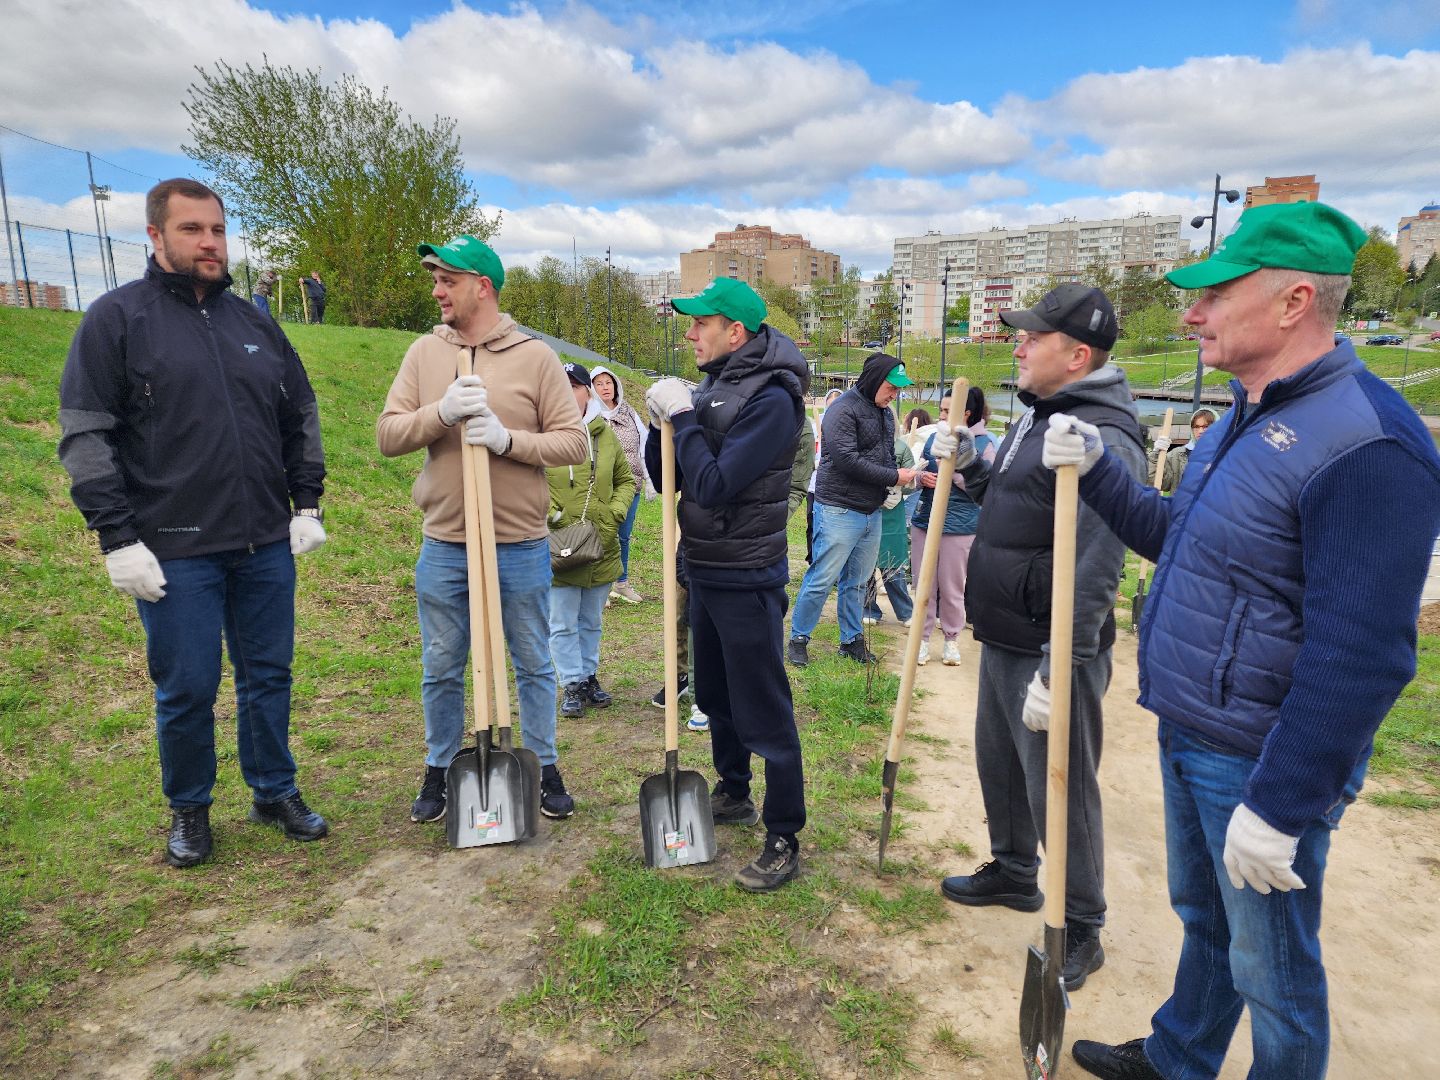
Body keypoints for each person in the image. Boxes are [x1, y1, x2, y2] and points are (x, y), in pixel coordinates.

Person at [1044, 202, 1440, 1080]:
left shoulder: (1370, 443)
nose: (1192, 314)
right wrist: (1099, 469)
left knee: (1276, 969)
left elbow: (1366, 653)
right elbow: (1175, 538)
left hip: (1259, 757)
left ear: (1296, 301)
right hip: (1194, 726)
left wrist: (1282, 804)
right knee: (1209, 923)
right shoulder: (1239, 418)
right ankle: (1183, 1057)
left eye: (1216, 296)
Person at [58, 178, 330, 868]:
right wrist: (117, 538)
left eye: (216, 229)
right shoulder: (117, 321)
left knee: (268, 674)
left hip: (265, 541)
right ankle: (190, 808)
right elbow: (86, 436)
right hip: (175, 550)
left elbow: (299, 413)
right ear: (155, 237)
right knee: (187, 688)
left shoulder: (255, 323)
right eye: (191, 230)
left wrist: (306, 502)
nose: (209, 242)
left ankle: (273, 789)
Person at [939, 284, 1146, 995]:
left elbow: (1098, 562)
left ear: (1078, 353)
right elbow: (1007, 502)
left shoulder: (1104, 434)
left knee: (1061, 785)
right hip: (1007, 630)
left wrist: (1064, 665)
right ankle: (1015, 870)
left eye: (1034, 336)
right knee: (1000, 762)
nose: (1019, 345)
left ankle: (1081, 921)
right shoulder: (1041, 413)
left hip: (1053, 643)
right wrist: (966, 464)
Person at [377, 234, 588, 825]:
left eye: (448, 280)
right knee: (443, 664)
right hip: (446, 543)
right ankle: (441, 766)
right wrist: (438, 413)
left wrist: (506, 440)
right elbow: (388, 435)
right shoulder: (423, 354)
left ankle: (544, 765)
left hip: (517, 542)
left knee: (533, 661)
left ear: (482, 287)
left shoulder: (535, 357)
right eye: (436, 280)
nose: (438, 291)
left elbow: (572, 442)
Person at [642, 277, 810, 892]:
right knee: (713, 695)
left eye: (699, 324)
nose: (689, 334)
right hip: (705, 567)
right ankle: (734, 791)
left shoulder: (773, 399)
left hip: (747, 574)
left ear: (733, 332)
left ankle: (784, 833)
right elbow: (672, 483)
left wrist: (683, 415)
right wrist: (661, 426)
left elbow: (714, 485)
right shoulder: (714, 386)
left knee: (763, 707)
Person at [787, 353, 919, 666]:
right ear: (874, 380)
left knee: (858, 582)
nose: (894, 394)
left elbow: (886, 457)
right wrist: (892, 476)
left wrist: (904, 479)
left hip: (871, 511)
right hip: (838, 510)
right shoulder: (842, 410)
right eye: (891, 386)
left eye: (899, 389)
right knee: (822, 577)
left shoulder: (886, 415)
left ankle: (851, 640)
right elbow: (847, 460)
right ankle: (798, 637)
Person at [548, 364, 635, 718]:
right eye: (560, 386)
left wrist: (614, 513)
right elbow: (525, 482)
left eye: (574, 386)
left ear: (588, 391)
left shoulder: (604, 434)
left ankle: (587, 676)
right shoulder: (542, 433)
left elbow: (626, 480)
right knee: (562, 620)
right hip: (561, 544)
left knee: (591, 620)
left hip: (601, 542)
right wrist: (550, 515)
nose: (568, 393)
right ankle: (570, 682)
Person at [910, 386, 996, 666]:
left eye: (947, 410)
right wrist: (922, 477)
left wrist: (955, 472)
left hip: (960, 526)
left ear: (965, 413)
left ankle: (951, 640)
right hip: (926, 519)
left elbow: (987, 490)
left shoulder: (985, 444)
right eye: (942, 409)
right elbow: (917, 472)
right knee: (923, 583)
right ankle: (921, 641)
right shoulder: (934, 438)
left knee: (951, 586)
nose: (941, 414)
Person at [590, 365, 651, 605]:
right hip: (602, 486)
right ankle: (600, 586)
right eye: (599, 383)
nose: (605, 387)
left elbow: (644, 443)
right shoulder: (590, 414)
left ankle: (621, 582)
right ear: (592, 388)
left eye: (608, 382)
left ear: (616, 385)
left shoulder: (628, 411)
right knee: (603, 535)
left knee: (623, 536)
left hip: (630, 484)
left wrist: (649, 479)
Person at [862, 432, 916, 628]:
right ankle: (868, 608)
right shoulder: (864, 445)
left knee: (892, 562)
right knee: (866, 561)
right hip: (867, 506)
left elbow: (912, 481)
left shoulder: (901, 447)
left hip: (893, 511)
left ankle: (906, 611)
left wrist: (902, 485)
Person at [1149, 406, 1215, 493]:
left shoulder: (1226, 454)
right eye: (1196, 427)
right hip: (1183, 505)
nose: (1200, 431)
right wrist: (1155, 454)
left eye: (1205, 426)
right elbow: (1160, 483)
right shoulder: (1177, 455)